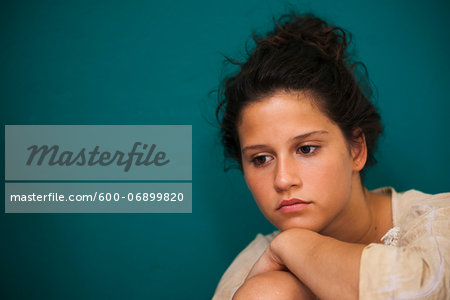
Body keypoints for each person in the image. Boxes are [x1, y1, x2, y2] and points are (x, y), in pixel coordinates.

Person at [212, 12, 450, 300]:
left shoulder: (437, 223)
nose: (283, 179)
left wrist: (294, 247)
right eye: (261, 159)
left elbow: (428, 290)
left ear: (356, 150)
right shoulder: (251, 269)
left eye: (306, 149)